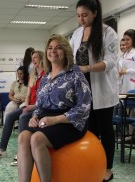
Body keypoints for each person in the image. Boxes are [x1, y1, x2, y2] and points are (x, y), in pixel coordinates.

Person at [17, 34, 92, 182]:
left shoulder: (75, 73)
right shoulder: (45, 78)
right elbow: (39, 104)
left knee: (37, 139)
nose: (53, 51)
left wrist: (56, 119)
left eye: (58, 48)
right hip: (45, 119)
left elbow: (84, 107)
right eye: (50, 48)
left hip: (68, 121)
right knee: (23, 137)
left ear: (65, 52)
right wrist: (34, 117)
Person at [69, 0, 119, 181]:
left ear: (95, 13)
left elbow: (112, 61)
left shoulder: (108, 32)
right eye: (78, 16)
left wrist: (88, 68)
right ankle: (92, 163)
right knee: (89, 130)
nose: (81, 19)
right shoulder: (76, 34)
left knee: (105, 130)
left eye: (85, 15)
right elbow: (71, 58)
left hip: (102, 88)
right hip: (83, 89)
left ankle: (107, 168)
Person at [0, 51, 45, 165]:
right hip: (30, 105)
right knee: (9, 116)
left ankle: (22, 153)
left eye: (36, 57)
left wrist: (32, 106)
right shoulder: (33, 75)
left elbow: (43, 97)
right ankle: (2, 150)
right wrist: (27, 105)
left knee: (23, 117)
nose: (33, 60)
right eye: (32, 58)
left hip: (39, 107)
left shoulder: (46, 75)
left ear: (42, 59)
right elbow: (28, 94)